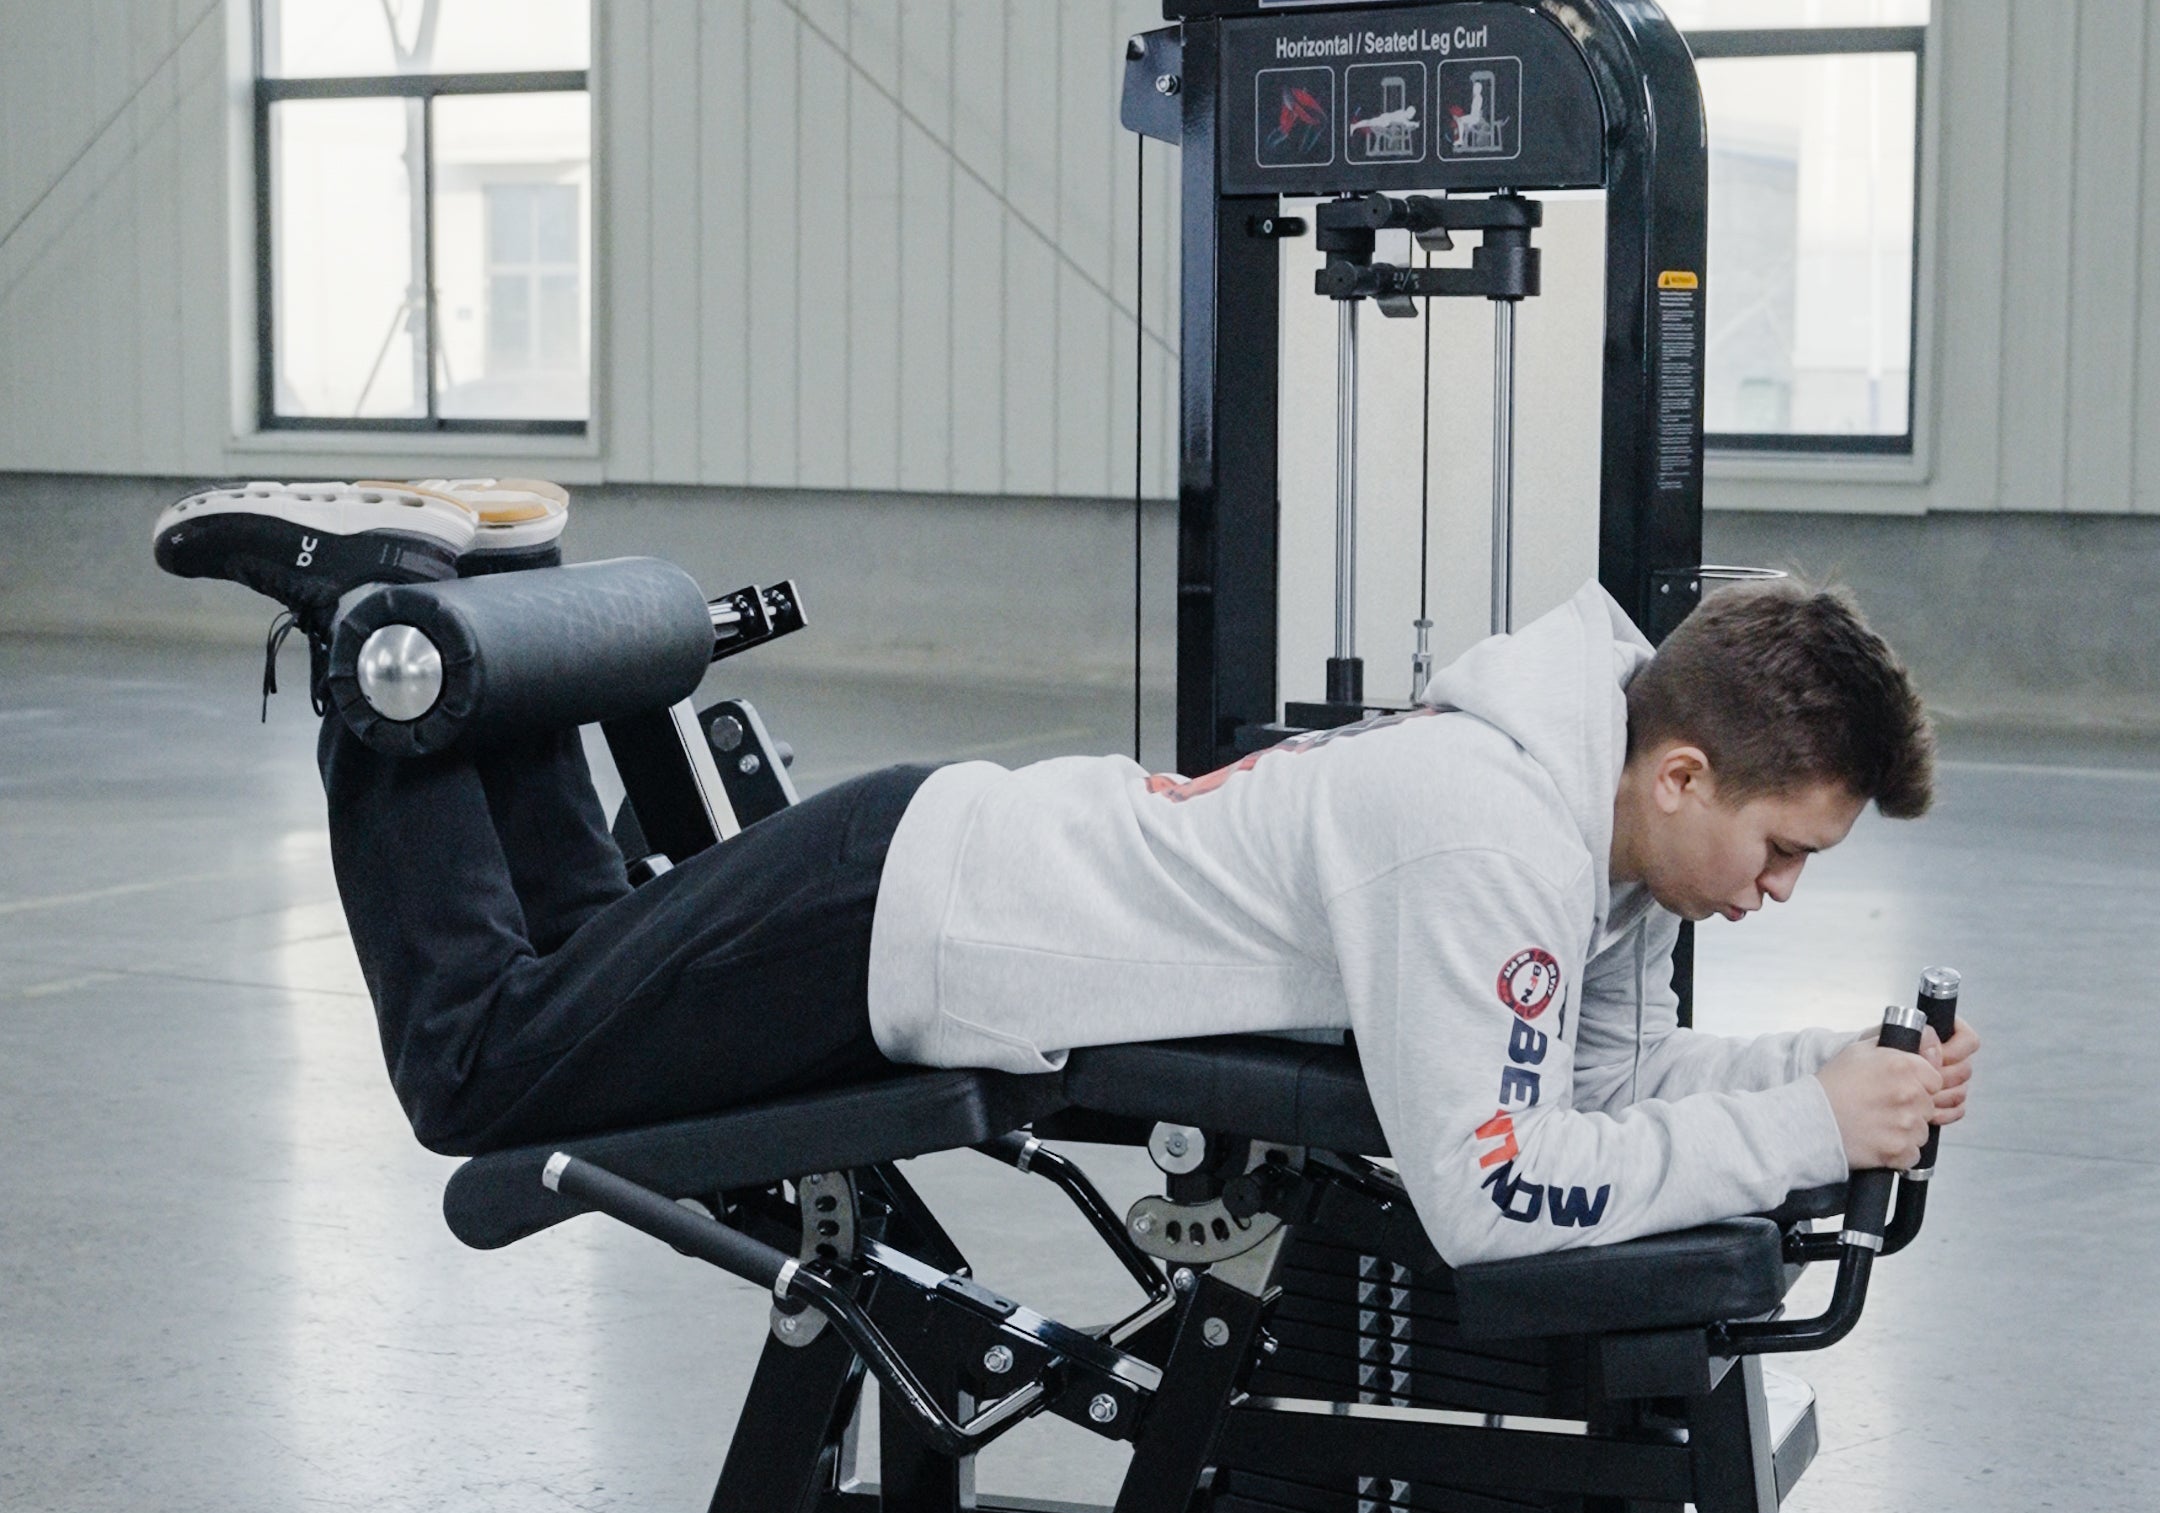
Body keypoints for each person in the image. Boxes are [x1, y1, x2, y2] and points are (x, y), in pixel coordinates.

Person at [155, 478, 1976, 1267]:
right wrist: (1803, 1129)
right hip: (899, 918)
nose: (1779, 892)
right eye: (1782, 851)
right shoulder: (1489, 836)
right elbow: (1499, 1193)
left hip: (926, 886)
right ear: (1682, 771)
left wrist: (1819, 1081)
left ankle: (489, 593)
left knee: (575, 958)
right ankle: (379, 613)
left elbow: (1594, 1091)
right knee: (481, 1064)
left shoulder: (1587, 824)